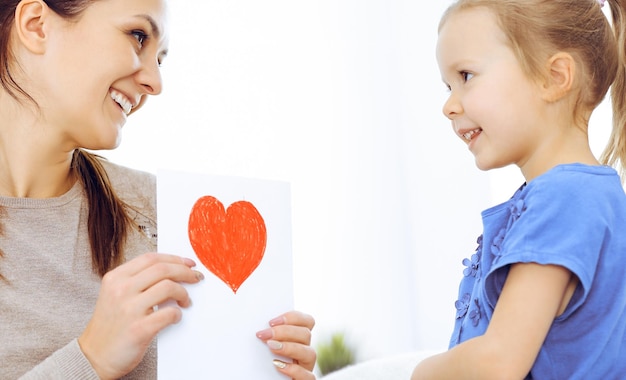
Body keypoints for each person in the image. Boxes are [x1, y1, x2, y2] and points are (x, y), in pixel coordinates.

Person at [0, 0, 316, 379]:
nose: (155, 82)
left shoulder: (167, 217)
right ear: (36, 24)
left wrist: (271, 369)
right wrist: (91, 359)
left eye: (161, 59)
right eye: (137, 36)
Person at [412, 0, 626, 378]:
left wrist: (418, 373)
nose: (448, 105)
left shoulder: (566, 199)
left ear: (554, 77)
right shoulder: (565, 197)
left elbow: (499, 363)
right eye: (448, 85)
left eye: (466, 75)